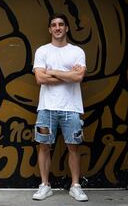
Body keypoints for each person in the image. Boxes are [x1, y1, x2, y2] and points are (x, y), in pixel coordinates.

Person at [32, 13, 88, 202]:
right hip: (46, 107)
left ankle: (75, 186)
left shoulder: (77, 52)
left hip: (71, 107)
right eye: (54, 25)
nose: (58, 28)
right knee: (44, 146)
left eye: (61, 24)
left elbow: (78, 77)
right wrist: (68, 74)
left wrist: (53, 72)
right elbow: (40, 79)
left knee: (73, 147)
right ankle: (45, 185)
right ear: (50, 29)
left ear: (67, 28)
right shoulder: (42, 51)